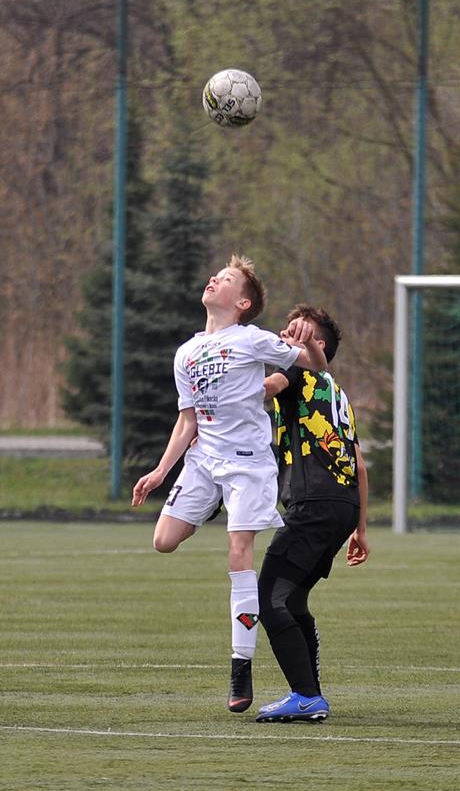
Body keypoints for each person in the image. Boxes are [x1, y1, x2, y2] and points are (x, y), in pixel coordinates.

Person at [131, 255, 327, 714]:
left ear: (242, 303)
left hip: (247, 465)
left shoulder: (251, 339)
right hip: (203, 462)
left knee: (239, 553)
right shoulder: (186, 352)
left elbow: (314, 366)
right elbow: (187, 422)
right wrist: (160, 471)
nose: (214, 279)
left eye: (227, 279)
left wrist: (308, 344)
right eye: (216, 276)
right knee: (164, 541)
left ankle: (241, 666)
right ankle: (213, 503)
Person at [254, 304, 369, 723]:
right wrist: (360, 529)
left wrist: (219, 384)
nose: (283, 336)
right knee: (294, 598)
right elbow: (359, 465)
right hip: (342, 506)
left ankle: (305, 696)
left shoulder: (297, 370)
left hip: (314, 504)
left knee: (268, 596)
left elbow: (264, 388)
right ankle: (309, 693)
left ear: (314, 345)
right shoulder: (337, 392)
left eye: (293, 332)